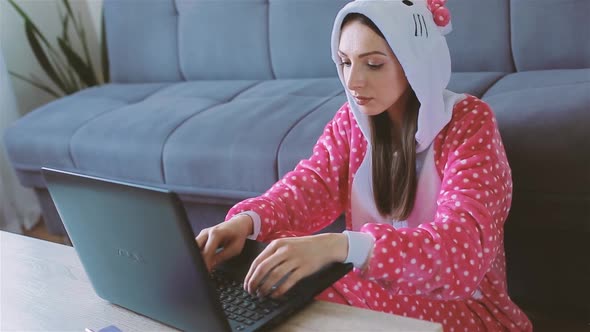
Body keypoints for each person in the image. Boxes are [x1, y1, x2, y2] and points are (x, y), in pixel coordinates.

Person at [196, 0, 532, 330]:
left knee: (299, 277)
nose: (353, 81)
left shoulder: (469, 123)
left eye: (372, 64)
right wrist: (246, 222)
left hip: (466, 308)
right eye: (344, 62)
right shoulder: (352, 122)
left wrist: (339, 246)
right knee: (276, 257)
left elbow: (459, 256)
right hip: (373, 287)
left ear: (415, 62)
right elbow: (309, 186)